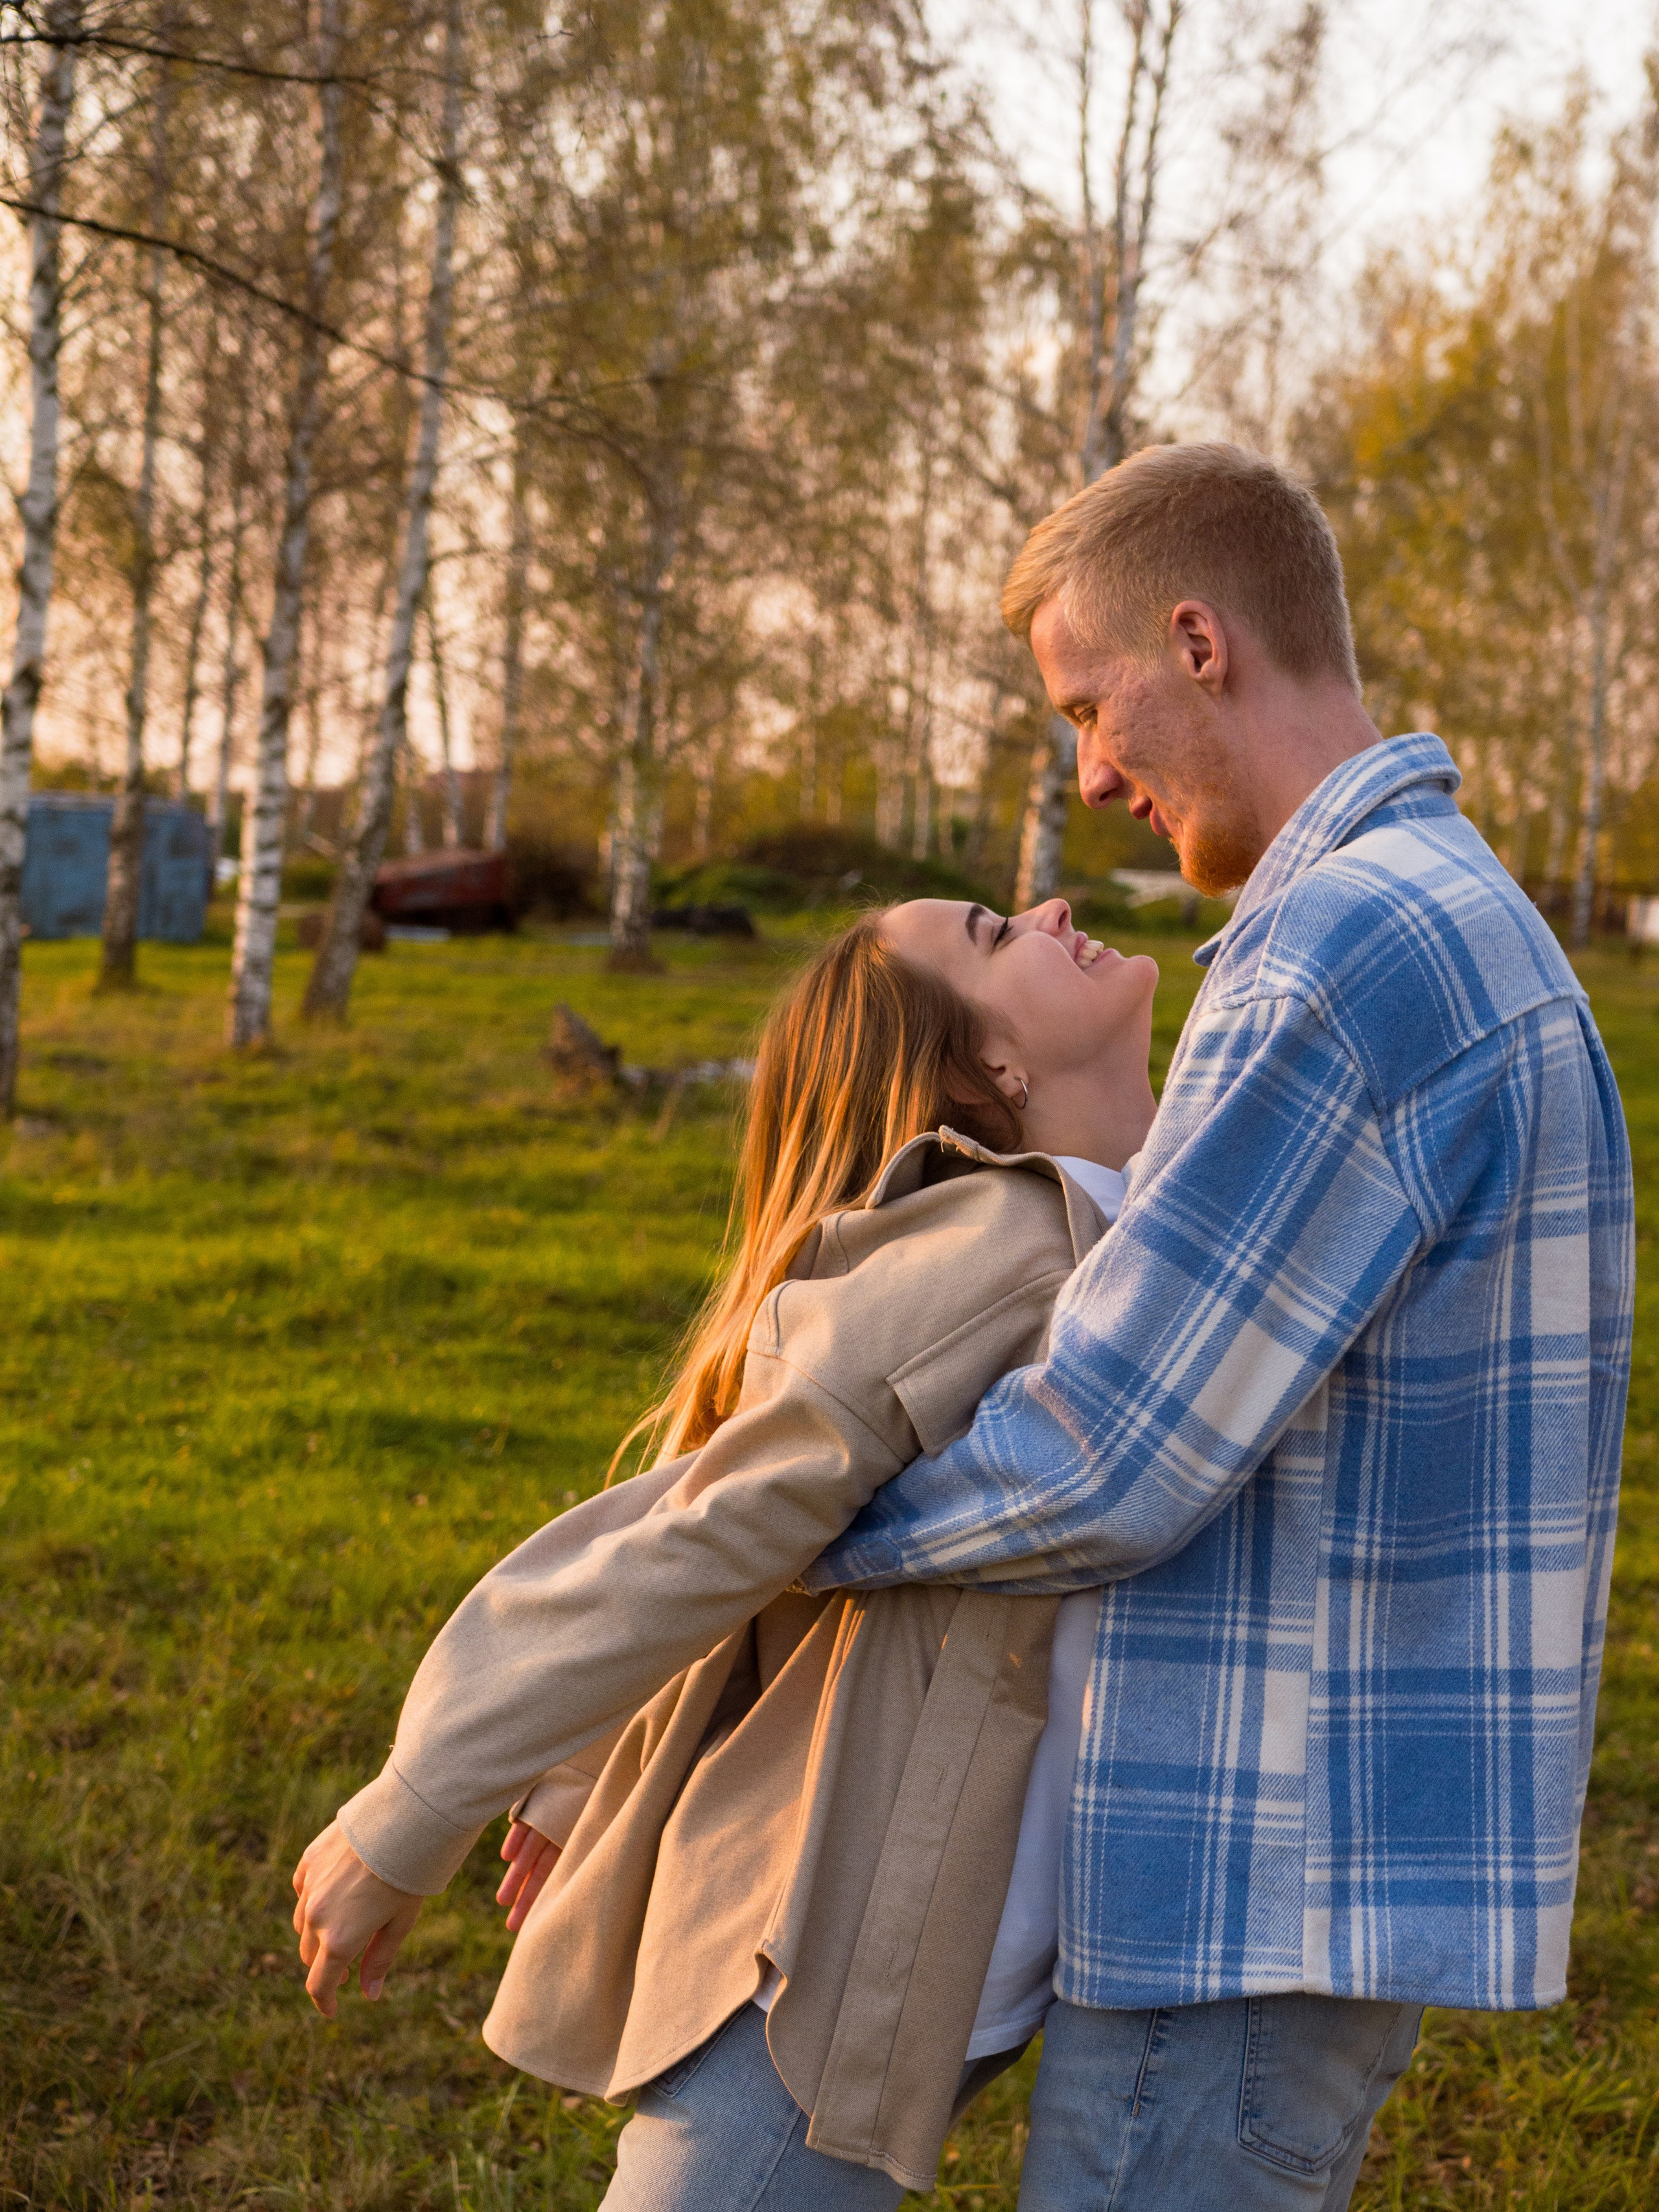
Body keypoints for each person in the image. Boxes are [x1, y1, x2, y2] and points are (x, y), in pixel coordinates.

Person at [795, 442, 1636, 2209]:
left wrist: (793, 1534)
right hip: (1306, 1861)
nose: (1090, 780)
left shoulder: (1343, 947)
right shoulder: (1439, 910)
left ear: (1197, 642)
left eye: (1089, 709)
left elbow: (1111, 1452)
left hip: (1246, 1876)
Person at [291, 893, 1163, 2206]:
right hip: (836, 1927)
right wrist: (421, 1802)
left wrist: (577, 1757)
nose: (1050, 907)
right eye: (993, 932)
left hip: (974, 1903)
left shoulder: (1140, 1207)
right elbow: (719, 1520)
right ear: (992, 1068)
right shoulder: (1004, 1240)